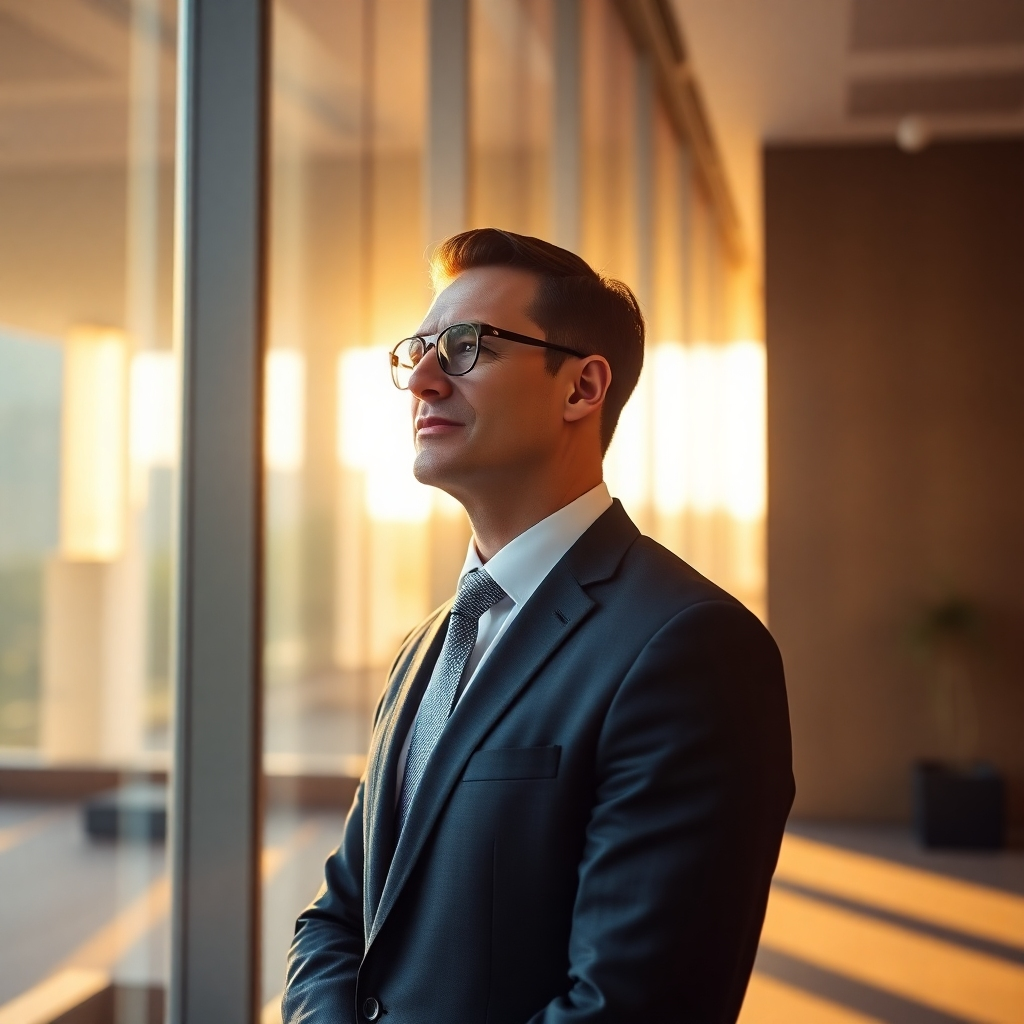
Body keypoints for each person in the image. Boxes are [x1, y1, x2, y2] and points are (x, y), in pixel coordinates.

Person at [283, 228, 794, 1024]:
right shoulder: (426, 648)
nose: (419, 378)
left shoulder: (691, 648)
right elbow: (339, 916)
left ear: (583, 388)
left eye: (463, 347)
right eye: (417, 348)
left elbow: (629, 1006)